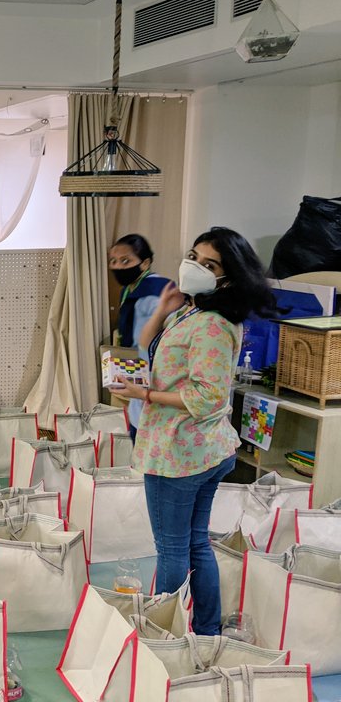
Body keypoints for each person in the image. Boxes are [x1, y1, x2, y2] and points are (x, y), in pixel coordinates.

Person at [116, 227, 279, 636]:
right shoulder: (191, 311)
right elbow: (145, 343)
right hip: (195, 449)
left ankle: (163, 634)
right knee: (194, 543)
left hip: (183, 452)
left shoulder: (212, 324)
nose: (195, 267)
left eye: (209, 264)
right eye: (194, 257)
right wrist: (164, 307)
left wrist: (147, 395)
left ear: (228, 276)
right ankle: (205, 629)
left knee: (173, 548)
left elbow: (208, 396)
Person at [108, 234, 170, 438]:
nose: (118, 266)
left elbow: (163, 340)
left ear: (145, 263)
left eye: (126, 261)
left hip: (158, 375)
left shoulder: (155, 293)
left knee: (147, 431)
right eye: (113, 261)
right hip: (138, 372)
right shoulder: (131, 288)